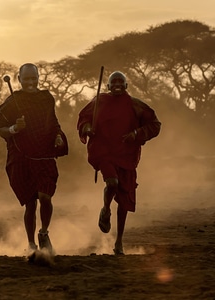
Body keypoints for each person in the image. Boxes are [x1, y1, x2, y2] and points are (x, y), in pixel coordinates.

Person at [77, 71, 161, 255]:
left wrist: (137, 134)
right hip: (104, 152)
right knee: (112, 183)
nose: (116, 85)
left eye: (120, 82)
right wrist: (87, 128)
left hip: (126, 155)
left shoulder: (135, 105)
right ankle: (105, 210)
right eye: (113, 82)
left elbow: (155, 124)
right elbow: (83, 119)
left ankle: (119, 242)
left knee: (124, 202)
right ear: (107, 86)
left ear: (126, 86)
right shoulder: (98, 102)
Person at [0, 63, 67, 254]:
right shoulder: (12, 102)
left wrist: (58, 135)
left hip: (44, 155)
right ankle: (31, 243)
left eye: (33, 78)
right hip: (22, 157)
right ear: (19, 79)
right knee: (30, 203)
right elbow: (0, 128)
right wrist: (15, 129)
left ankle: (43, 233)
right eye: (26, 79)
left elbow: (53, 122)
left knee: (45, 196)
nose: (30, 82)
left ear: (38, 77)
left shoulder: (46, 98)